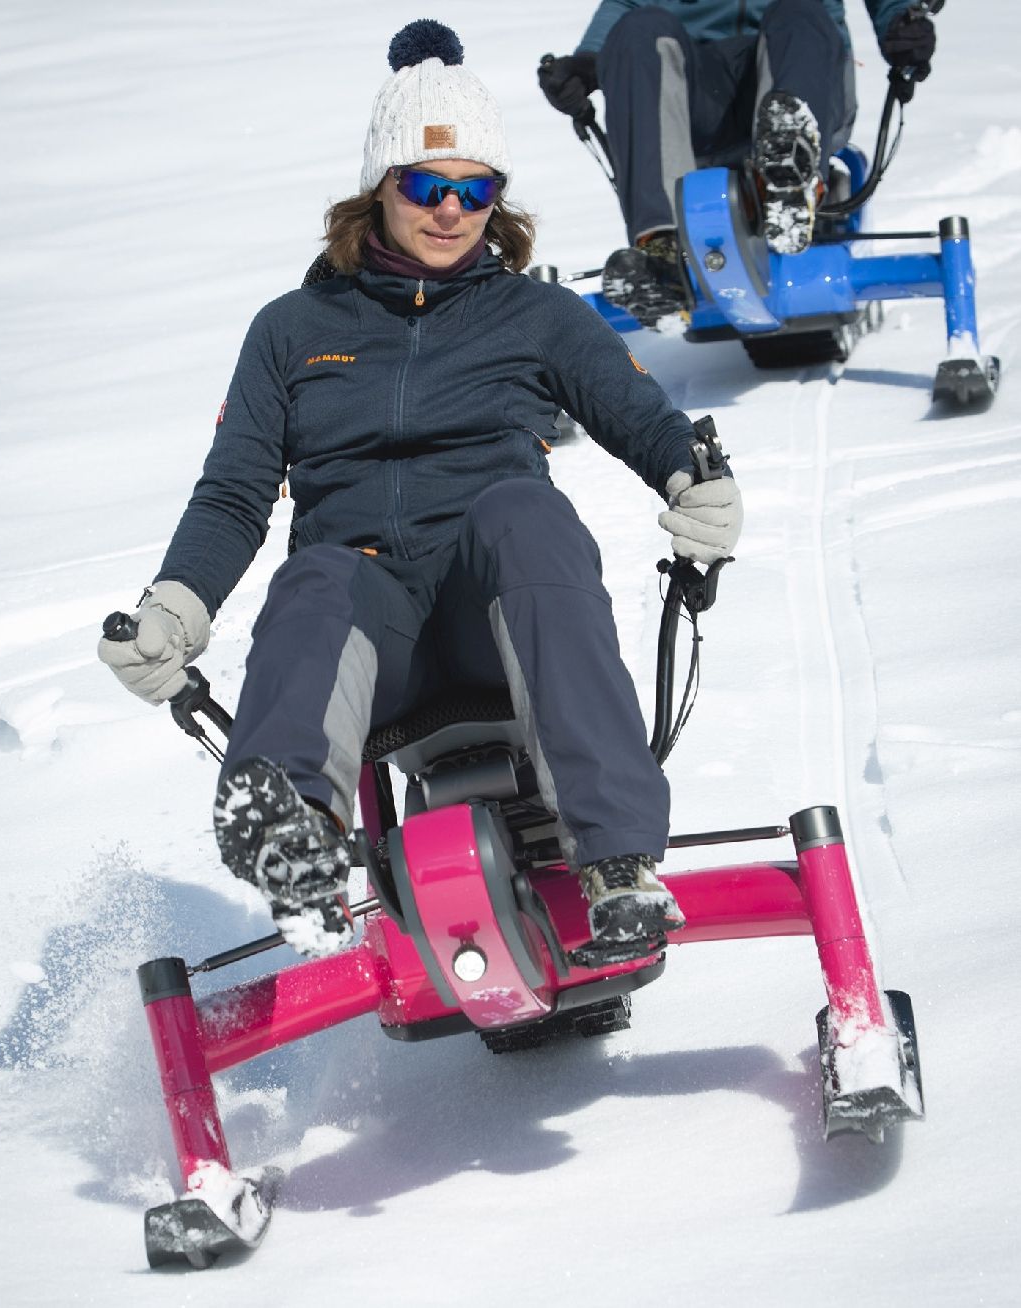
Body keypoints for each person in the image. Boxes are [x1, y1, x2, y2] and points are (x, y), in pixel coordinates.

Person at [98, 19, 743, 960]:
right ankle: (297, 841)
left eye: (475, 189)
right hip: (372, 633)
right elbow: (235, 493)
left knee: (526, 511)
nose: (451, 210)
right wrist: (178, 604)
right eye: (426, 186)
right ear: (380, 186)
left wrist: (691, 472)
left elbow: (633, 410)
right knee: (317, 574)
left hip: (504, 612)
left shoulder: (536, 313)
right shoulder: (290, 329)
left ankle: (616, 863)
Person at [538, 0, 938, 326]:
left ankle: (788, 181)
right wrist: (589, 60)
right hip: (697, 93)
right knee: (640, 27)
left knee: (799, 11)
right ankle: (661, 250)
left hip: (801, 70)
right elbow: (625, 6)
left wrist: (901, 17)